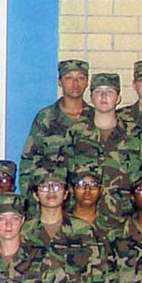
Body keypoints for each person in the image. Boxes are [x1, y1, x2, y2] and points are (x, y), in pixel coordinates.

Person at [64, 72, 142, 233]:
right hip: (82, 220)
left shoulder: (135, 134)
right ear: (91, 98)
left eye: (110, 92)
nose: (103, 96)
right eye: (98, 91)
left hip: (124, 220)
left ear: (118, 98)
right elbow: (65, 174)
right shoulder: (76, 133)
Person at [20, 59, 93, 191]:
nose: (75, 84)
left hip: (87, 195)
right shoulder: (46, 117)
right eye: (69, 78)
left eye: (81, 78)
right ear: (60, 82)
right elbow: (29, 160)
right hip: (52, 195)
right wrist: (28, 197)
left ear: (87, 82)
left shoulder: (95, 118)